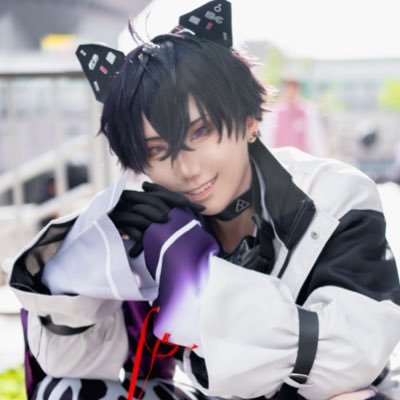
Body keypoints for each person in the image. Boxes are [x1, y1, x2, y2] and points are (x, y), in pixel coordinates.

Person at [8, 1, 400, 399]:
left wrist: (200, 283)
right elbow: (71, 365)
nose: (187, 169)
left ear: (250, 120)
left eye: (201, 132)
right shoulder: (151, 226)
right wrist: (86, 261)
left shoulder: (333, 196)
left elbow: (354, 359)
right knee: (64, 390)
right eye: (157, 149)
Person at [262, 78, 327, 157]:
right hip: (280, 157)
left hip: (301, 157)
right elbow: (268, 136)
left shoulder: (306, 111)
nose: (291, 92)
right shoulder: (276, 111)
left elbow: (315, 137)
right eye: (289, 89)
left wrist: (319, 156)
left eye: (294, 89)